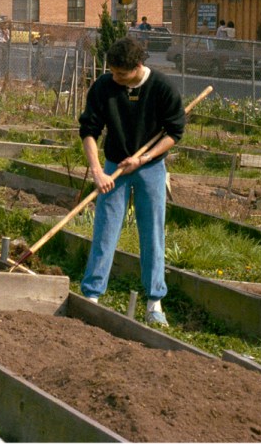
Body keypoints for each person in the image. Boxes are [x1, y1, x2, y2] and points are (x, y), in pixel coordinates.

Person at [78, 37, 185, 326]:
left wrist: (144, 158)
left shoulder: (161, 88)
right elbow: (89, 130)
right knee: (105, 229)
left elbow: (174, 132)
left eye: (121, 74)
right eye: (112, 72)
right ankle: (92, 295)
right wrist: (98, 171)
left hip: (149, 168)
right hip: (114, 166)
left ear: (138, 66)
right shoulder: (104, 86)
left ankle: (154, 302)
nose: (116, 78)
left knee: (152, 233)